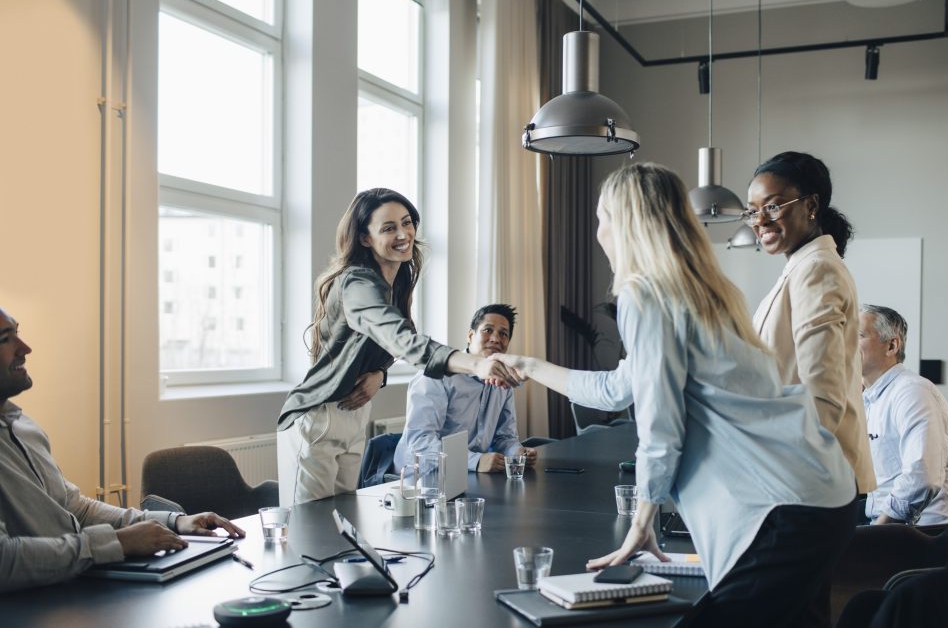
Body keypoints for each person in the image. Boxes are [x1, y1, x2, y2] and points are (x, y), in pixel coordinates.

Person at [496, 163, 858, 627]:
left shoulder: (644, 295)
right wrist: (528, 366)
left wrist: (642, 518)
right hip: (822, 498)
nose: (599, 232)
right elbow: (619, 388)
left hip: (782, 510)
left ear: (626, 224)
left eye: (602, 218)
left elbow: (660, 425)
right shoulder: (706, 292)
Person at [277, 188, 519, 506]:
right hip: (319, 415)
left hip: (354, 413)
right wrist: (475, 363)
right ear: (365, 238)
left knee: (340, 528)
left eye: (407, 223)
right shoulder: (357, 284)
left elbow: (383, 344)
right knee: (308, 532)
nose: (404, 234)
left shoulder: (394, 284)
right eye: (389, 227)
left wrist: (379, 372)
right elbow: (400, 338)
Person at [0, 307, 244, 593]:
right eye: (6, 338)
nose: (25, 348)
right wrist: (116, 542)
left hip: (76, 584)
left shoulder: (24, 427)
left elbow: (74, 507)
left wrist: (174, 522)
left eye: (18, 332)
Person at [746, 151, 876, 494]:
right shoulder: (802, 267)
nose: (760, 220)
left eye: (773, 206)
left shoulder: (816, 269)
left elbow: (823, 400)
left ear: (811, 206)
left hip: (810, 483)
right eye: (753, 210)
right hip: (801, 476)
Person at [392, 304, 537, 474]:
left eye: (503, 334)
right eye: (488, 330)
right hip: (421, 477)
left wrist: (517, 453)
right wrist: (475, 461)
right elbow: (420, 442)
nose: (496, 339)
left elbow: (504, 437)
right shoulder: (436, 375)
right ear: (470, 335)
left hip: (468, 475)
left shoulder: (504, 382)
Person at [859, 304, 948, 525]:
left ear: (891, 345)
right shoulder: (871, 397)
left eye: (858, 335)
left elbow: (921, 478)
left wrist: (877, 534)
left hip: (925, 530)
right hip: (885, 522)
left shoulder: (912, 392)